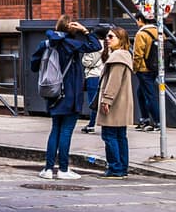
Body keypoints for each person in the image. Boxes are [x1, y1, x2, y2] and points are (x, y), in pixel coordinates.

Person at [30, 15, 101, 179]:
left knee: (55, 130)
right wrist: (85, 30)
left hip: (53, 93)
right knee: (66, 131)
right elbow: (95, 45)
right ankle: (63, 169)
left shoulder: (46, 44)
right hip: (71, 94)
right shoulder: (73, 44)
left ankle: (48, 169)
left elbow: (34, 66)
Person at [97, 26, 135, 178]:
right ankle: (122, 167)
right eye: (107, 36)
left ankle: (115, 168)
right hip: (120, 102)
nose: (108, 39)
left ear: (121, 40)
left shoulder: (118, 56)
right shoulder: (123, 55)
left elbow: (114, 81)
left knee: (109, 135)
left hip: (114, 104)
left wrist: (107, 100)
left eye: (111, 37)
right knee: (120, 136)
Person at [133, 19, 160, 130]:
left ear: (140, 20)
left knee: (149, 95)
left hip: (143, 69)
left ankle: (157, 121)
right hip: (155, 67)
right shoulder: (159, 32)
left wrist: (135, 68)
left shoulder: (141, 34)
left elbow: (138, 54)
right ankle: (145, 119)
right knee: (140, 93)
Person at [81, 30, 105, 134]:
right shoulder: (108, 44)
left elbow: (87, 62)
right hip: (103, 75)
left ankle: (91, 125)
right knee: (103, 100)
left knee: (93, 102)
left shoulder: (93, 46)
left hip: (93, 75)